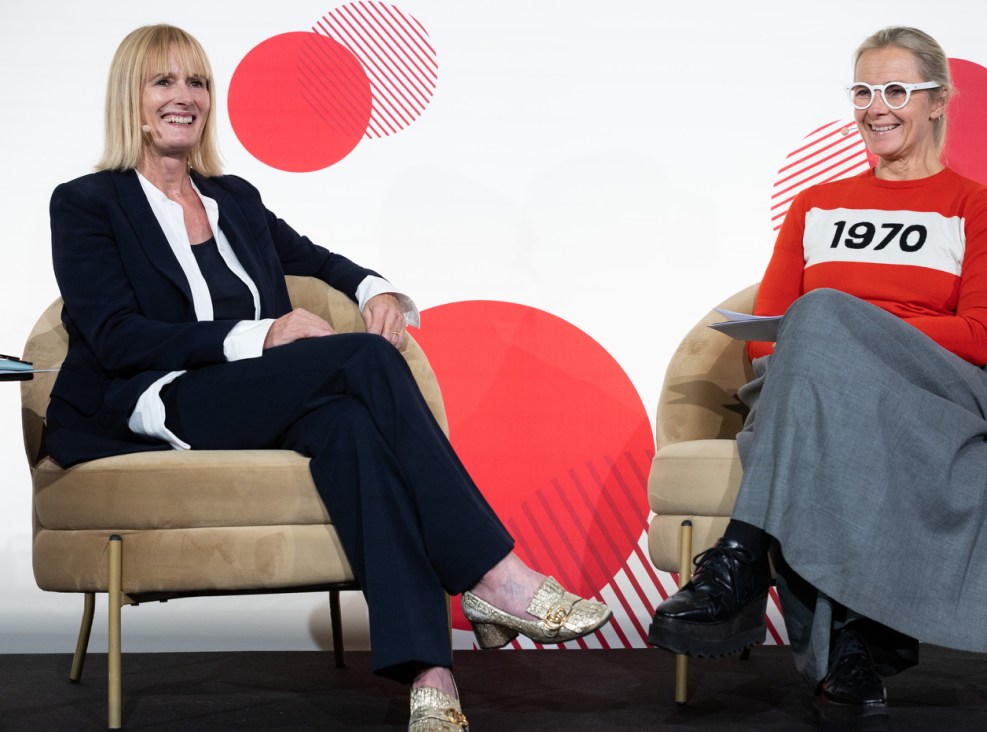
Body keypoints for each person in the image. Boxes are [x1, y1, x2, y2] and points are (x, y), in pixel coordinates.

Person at [47, 24, 610, 732]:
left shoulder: (233, 198)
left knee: (351, 430)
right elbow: (115, 336)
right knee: (366, 360)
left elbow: (316, 258)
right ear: (131, 98)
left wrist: (376, 289)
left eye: (197, 83)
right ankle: (494, 573)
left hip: (251, 397)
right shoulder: (87, 203)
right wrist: (264, 334)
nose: (183, 98)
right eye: (164, 82)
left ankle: (430, 676)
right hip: (163, 401)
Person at [648, 26, 987, 729]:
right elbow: (769, 338)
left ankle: (738, 560)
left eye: (897, 90)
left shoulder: (978, 207)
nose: (876, 106)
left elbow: (980, 337)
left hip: (935, 390)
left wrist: (857, 335)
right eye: (863, 91)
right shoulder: (816, 205)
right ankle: (854, 650)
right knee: (821, 366)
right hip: (816, 389)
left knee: (826, 314)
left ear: (938, 102)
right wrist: (832, 348)